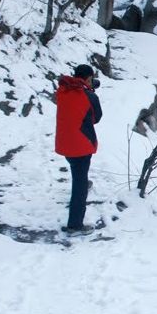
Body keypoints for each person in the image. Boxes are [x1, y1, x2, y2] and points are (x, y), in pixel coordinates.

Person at [55, 64, 102, 235]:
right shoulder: (89, 96)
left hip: (65, 142)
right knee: (79, 184)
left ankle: (83, 182)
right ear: (89, 78)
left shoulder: (63, 90)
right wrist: (91, 94)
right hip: (81, 144)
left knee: (78, 172)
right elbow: (96, 118)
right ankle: (75, 225)